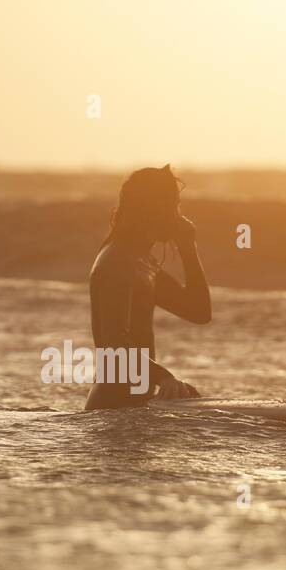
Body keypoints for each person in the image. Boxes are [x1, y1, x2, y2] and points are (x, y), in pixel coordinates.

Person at [84, 165, 212, 410]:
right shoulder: (116, 263)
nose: (177, 215)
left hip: (132, 406)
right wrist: (163, 377)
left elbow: (199, 312)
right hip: (110, 410)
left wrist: (188, 249)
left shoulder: (141, 262)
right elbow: (114, 344)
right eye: (172, 205)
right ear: (150, 209)